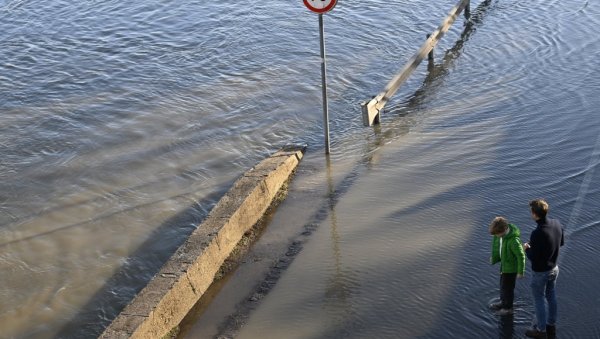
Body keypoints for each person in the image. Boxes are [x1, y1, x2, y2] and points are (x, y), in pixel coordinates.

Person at [523, 199, 565, 339]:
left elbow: (533, 257)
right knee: (551, 294)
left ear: (535, 214)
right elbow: (561, 242)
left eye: (531, 212)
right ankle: (551, 323)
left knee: (539, 299)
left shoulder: (537, 232)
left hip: (541, 272)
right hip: (554, 268)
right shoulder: (557, 223)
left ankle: (541, 330)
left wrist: (526, 249)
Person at [489, 216, 526, 315]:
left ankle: (508, 308)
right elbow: (498, 248)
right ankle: (503, 302)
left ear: (505, 229)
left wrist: (520, 272)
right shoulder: (500, 236)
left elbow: (521, 256)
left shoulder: (513, 241)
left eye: (498, 234)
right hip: (504, 266)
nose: (496, 236)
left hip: (511, 269)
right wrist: (495, 258)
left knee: (508, 289)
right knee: (502, 286)